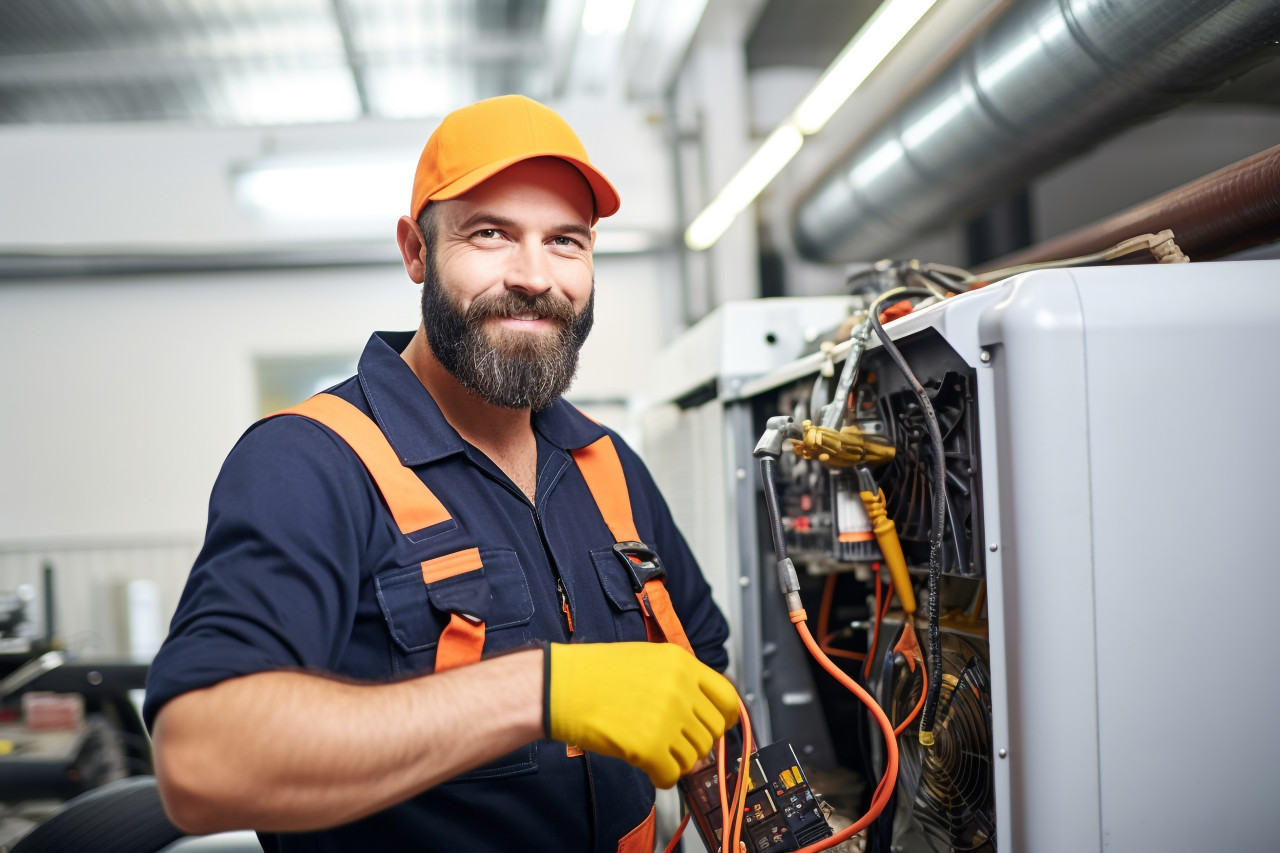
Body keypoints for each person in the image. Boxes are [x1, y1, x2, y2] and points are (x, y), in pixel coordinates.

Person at [143, 94, 738, 853]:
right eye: (491, 234)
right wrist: (542, 690)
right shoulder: (309, 463)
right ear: (416, 251)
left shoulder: (607, 467)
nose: (533, 275)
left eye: (565, 241)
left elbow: (709, 695)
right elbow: (203, 760)